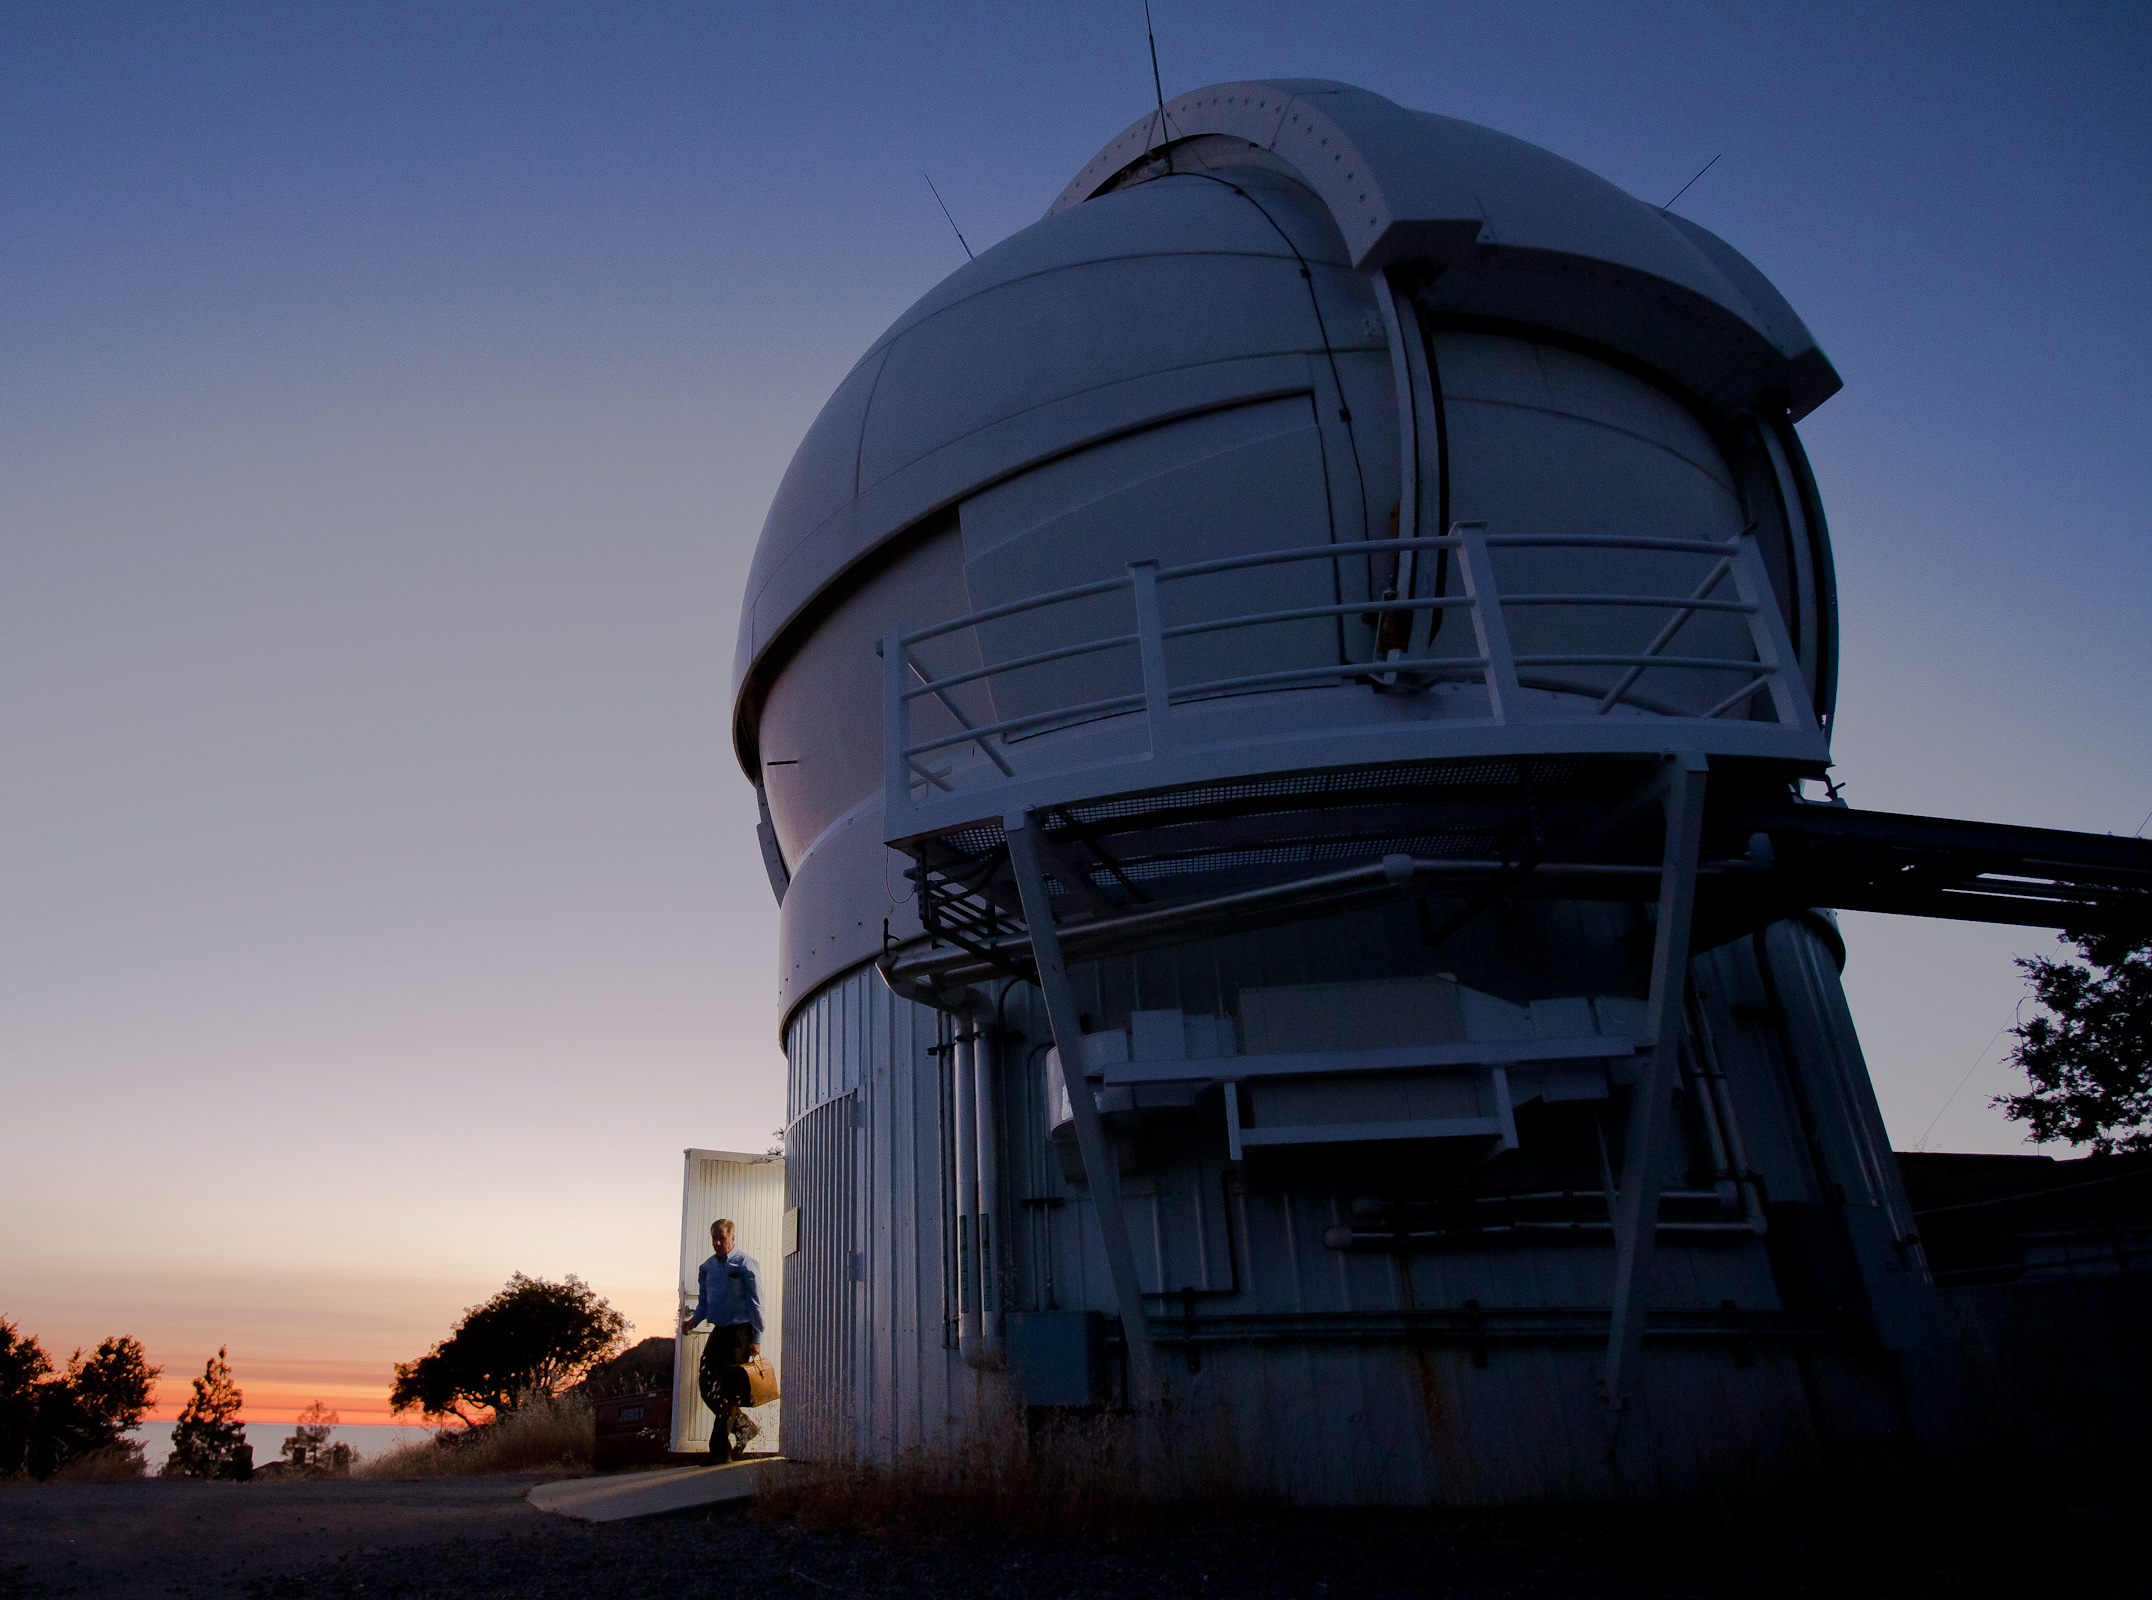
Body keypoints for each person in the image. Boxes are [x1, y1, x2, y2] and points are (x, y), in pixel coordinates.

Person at [681, 1217, 763, 1461]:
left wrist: (756, 1338)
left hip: (740, 1332)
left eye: (723, 1238)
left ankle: (719, 1451)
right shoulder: (707, 1268)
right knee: (707, 1384)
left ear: (732, 1238)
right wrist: (693, 1321)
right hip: (720, 1331)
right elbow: (704, 1303)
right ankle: (744, 1427)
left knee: (726, 1389)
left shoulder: (745, 1264)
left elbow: (757, 1304)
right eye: (714, 1239)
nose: (718, 1243)